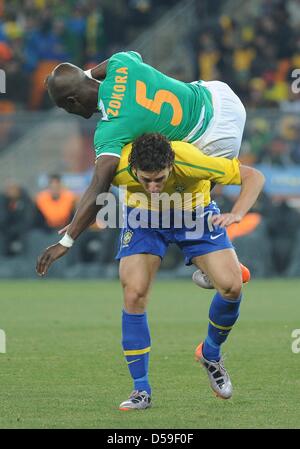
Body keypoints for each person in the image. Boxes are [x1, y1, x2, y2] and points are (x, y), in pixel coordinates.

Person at [37, 133, 265, 409]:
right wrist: (68, 239)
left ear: (171, 164)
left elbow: (254, 177)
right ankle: (140, 390)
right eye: (146, 180)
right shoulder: (119, 166)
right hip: (143, 220)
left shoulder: (189, 160)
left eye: (160, 178)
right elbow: (96, 193)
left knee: (232, 287)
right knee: (134, 294)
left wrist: (238, 212)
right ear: (133, 170)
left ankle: (210, 353)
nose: (154, 186)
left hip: (194, 214)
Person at [40, 50, 247, 281]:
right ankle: (218, 257)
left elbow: (99, 187)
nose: (71, 113)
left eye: (66, 108)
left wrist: (67, 239)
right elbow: (128, 55)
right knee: (179, 164)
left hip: (216, 135)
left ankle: (217, 264)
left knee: (183, 183)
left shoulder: (110, 129)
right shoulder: (121, 65)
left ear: (72, 101)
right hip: (218, 95)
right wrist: (84, 75)